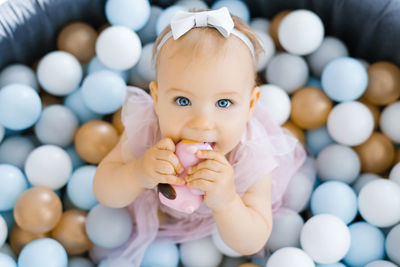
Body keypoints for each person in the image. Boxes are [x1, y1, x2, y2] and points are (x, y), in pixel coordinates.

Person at [91, 7, 306, 265]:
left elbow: (252, 241)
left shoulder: (251, 154)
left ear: (250, 106)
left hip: (218, 230)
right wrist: (138, 171)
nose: (202, 123)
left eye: (224, 103)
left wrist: (226, 201)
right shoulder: (148, 129)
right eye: (182, 100)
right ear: (157, 100)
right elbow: (104, 190)